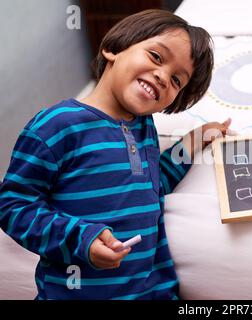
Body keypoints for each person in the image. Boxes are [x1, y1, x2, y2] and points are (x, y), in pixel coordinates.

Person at [0, 9, 231, 300]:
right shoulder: (57, 125)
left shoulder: (144, 129)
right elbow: (13, 205)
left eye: (176, 81)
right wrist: (81, 238)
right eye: (156, 57)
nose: (162, 76)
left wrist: (195, 140)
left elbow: (152, 187)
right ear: (113, 48)